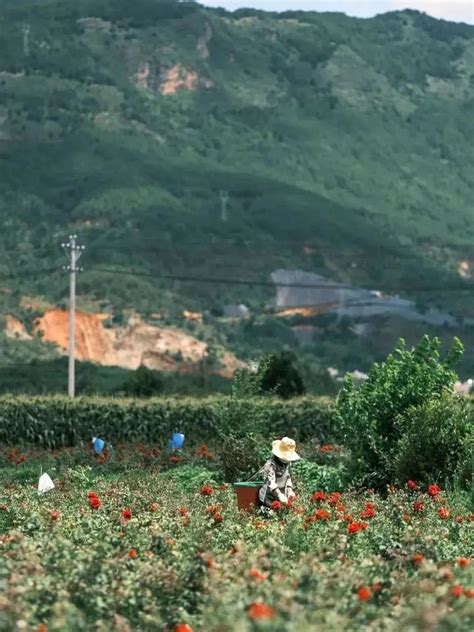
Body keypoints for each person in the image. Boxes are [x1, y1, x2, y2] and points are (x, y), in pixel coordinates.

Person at [258, 437, 301, 508]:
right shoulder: (271, 465)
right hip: (268, 495)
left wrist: (290, 490)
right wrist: (279, 495)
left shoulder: (288, 464)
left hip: (281, 493)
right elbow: (271, 482)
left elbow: (288, 477)